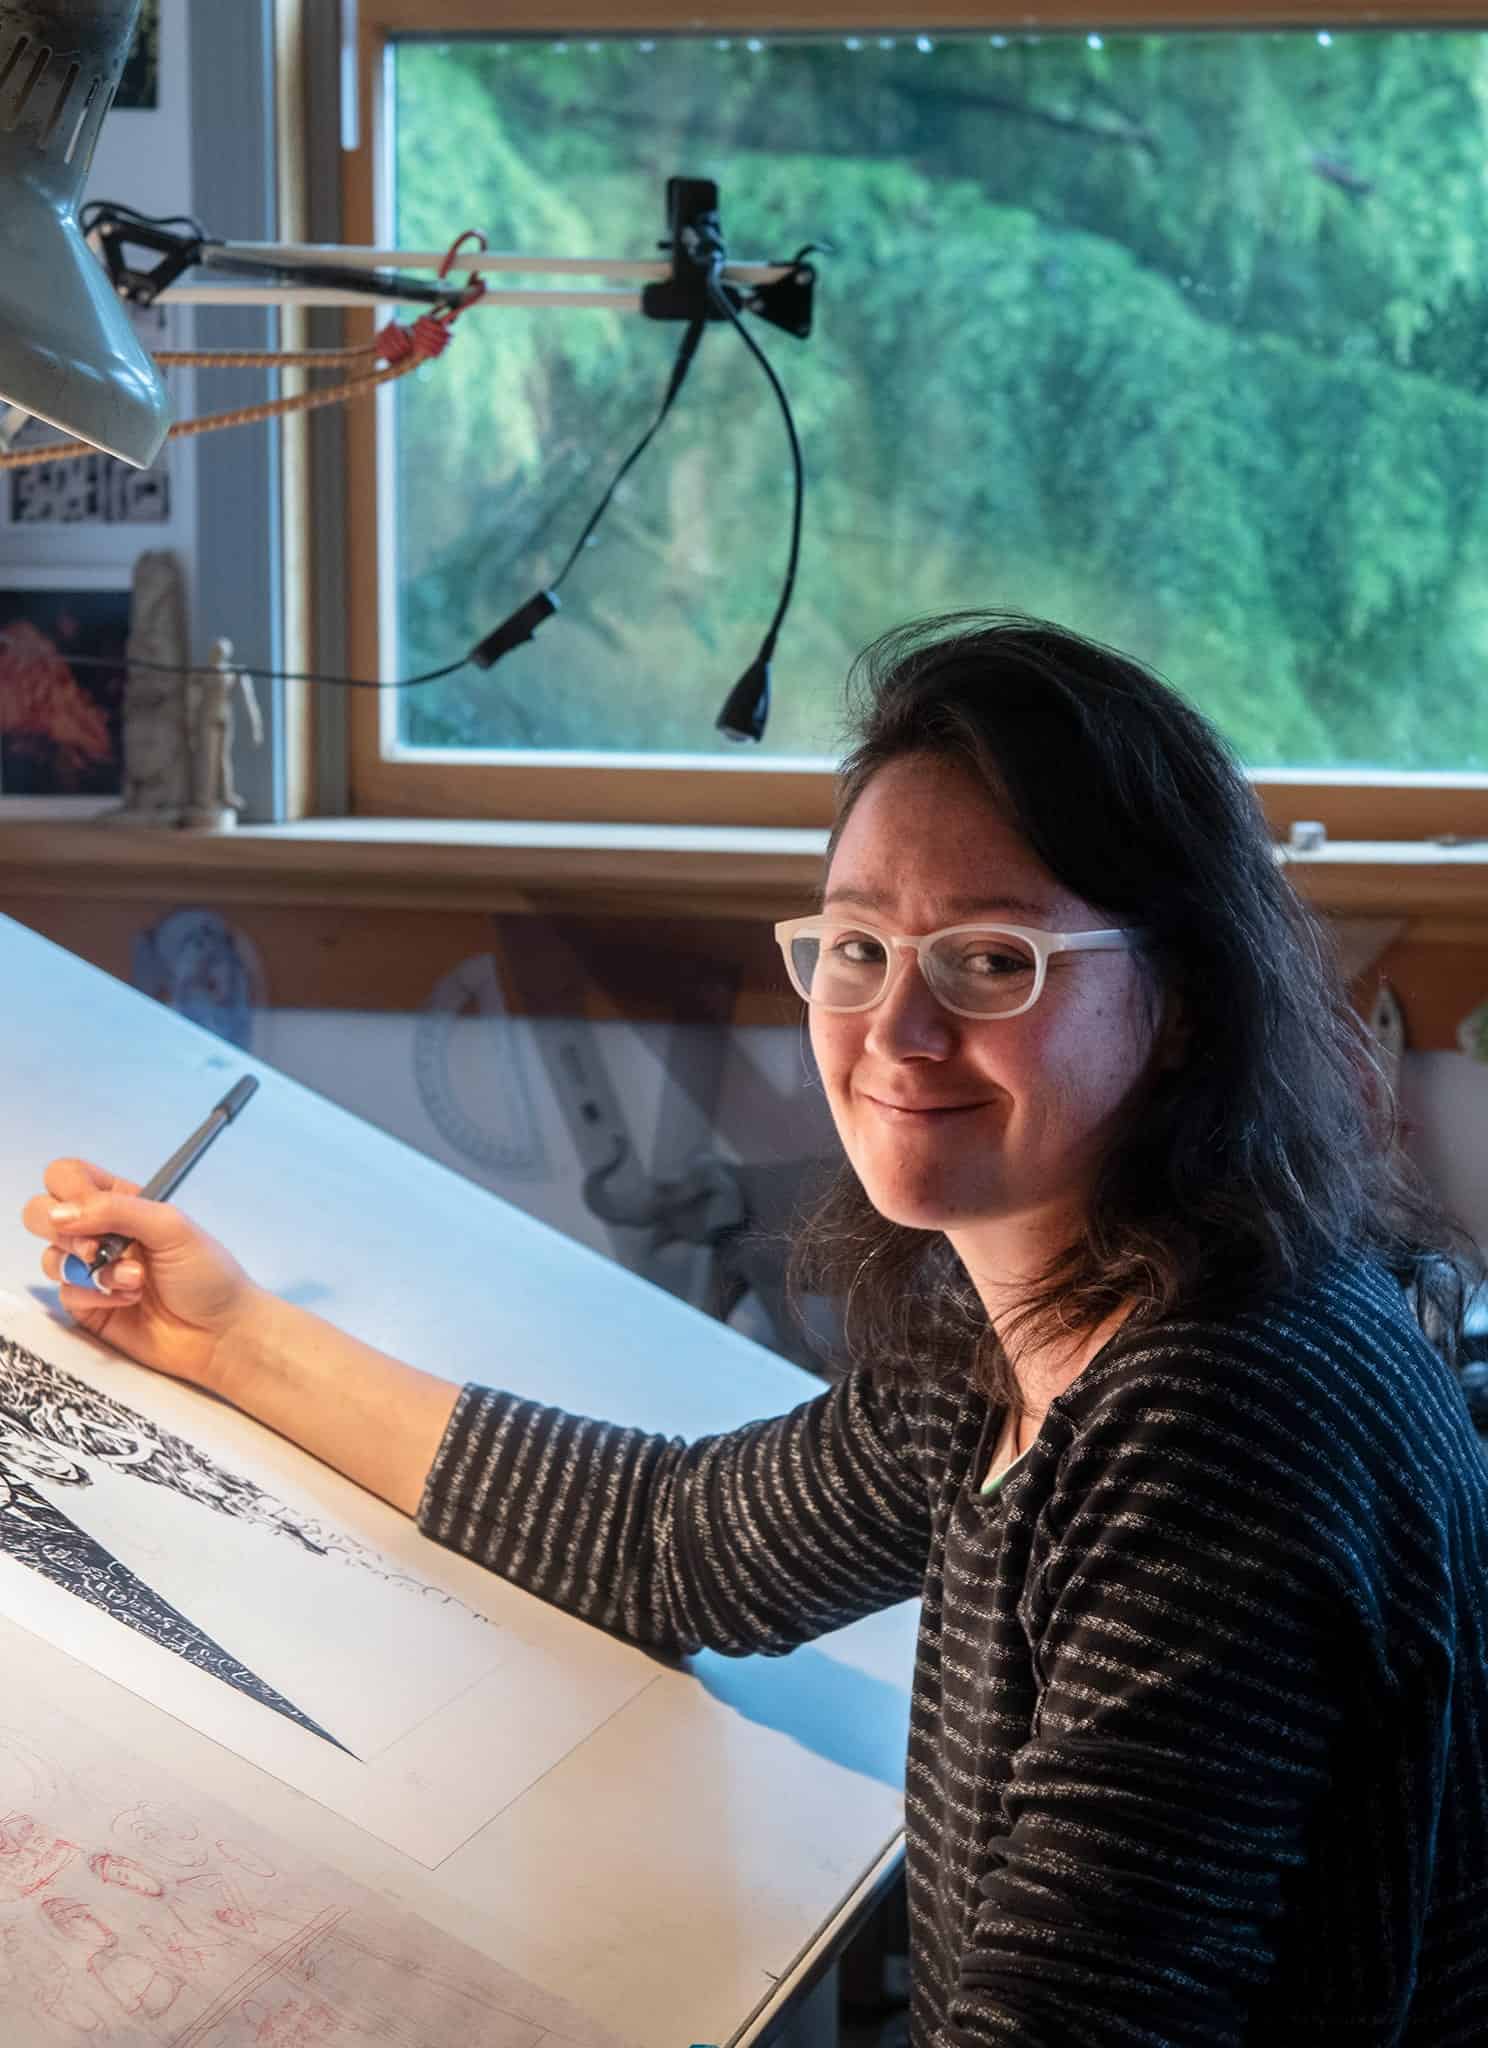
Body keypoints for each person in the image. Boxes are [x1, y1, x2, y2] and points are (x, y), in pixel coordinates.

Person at [23, 612, 1488, 2046]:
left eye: (994, 961)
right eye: (856, 947)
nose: (896, 1032)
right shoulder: (1031, 1325)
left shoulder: (1212, 1433)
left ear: (1181, 1005)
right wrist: (227, 1335)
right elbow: (679, 1545)